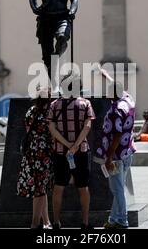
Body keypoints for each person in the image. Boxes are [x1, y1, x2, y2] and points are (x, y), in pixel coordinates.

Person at [47, 76, 95, 229]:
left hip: (60, 152)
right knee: (83, 187)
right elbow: (87, 126)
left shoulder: (54, 105)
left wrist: (67, 144)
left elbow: (51, 128)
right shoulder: (85, 103)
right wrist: (75, 146)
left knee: (58, 186)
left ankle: (56, 222)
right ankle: (85, 222)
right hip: (80, 151)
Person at [29, 0, 78, 80]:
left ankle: (55, 57)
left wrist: (73, 10)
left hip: (62, 17)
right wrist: (34, 8)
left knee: (62, 37)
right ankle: (54, 84)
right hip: (45, 18)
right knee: (46, 56)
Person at [17, 87, 54, 229]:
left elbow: (28, 129)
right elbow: (51, 132)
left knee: (40, 187)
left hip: (31, 152)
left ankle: (46, 222)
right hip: (44, 153)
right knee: (40, 189)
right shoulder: (49, 112)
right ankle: (35, 223)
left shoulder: (31, 111)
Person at [101, 81, 136, 229]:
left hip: (116, 156)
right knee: (119, 188)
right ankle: (113, 219)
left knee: (117, 189)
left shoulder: (116, 110)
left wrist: (109, 157)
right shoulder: (128, 100)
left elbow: (116, 134)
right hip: (127, 152)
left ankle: (122, 220)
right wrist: (106, 76)